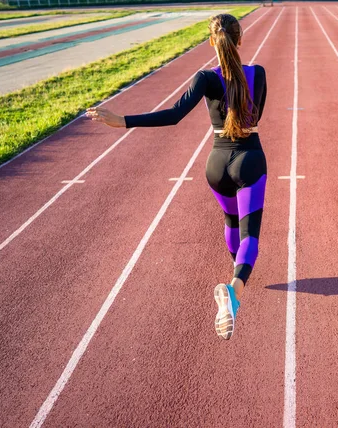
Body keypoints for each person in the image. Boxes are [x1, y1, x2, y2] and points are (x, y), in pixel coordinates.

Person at [86, 13, 267, 341]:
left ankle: (235, 268)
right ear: (239, 39)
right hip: (249, 161)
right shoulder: (258, 74)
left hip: (216, 164)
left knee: (230, 221)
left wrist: (122, 121)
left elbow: (174, 115)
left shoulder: (204, 78)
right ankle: (234, 289)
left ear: (212, 41)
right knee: (249, 234)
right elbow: (254, 114)